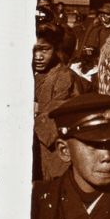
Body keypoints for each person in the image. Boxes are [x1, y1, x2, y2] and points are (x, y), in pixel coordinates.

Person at [32, 31, 77, 181]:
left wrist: (36, 110)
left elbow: (58, 110)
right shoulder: (26, 71)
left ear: (55, 49)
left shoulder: (63, 76)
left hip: (49, 146)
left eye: (44, 50)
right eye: (33, 50)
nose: (38, 56)